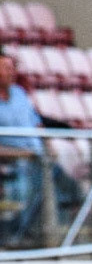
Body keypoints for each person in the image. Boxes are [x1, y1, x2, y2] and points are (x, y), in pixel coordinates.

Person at [0, 53, 45, 244]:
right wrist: (20, 154)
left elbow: (37, 122)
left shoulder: (19, 93)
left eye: (13, 68)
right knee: (27, 189)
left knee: (72, 192)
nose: (11, 72)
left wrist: (47, 145)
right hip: (13, 163)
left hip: (39, 159)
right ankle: (14, 236)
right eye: (6, 68)